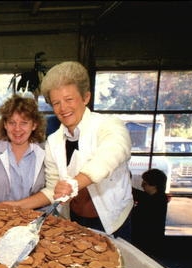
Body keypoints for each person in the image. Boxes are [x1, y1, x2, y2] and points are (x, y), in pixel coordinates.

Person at [36, 61, 133, 239]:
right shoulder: (53, 141)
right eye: (56, 103)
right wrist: (15, 205)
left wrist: (74, 183)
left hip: (113, 223)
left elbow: (109, 156)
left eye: (69, 99)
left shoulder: (109, 125)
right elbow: (53, 188)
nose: (63, 108)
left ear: (85, 97)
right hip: (73, 223)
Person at [131, 169, 169, 257]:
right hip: (151, 239)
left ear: (154, 185)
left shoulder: (155, 200)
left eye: (145, 183)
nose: (142, 185)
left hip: (148, 240)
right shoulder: (159, 197)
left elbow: (136, 194)